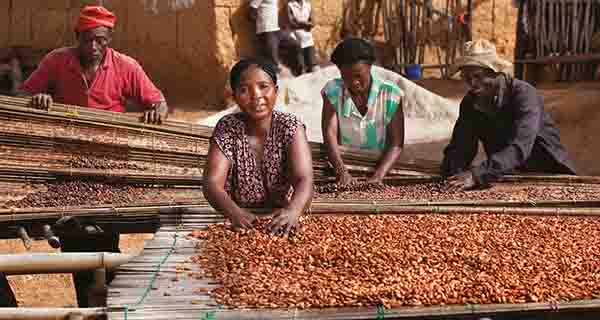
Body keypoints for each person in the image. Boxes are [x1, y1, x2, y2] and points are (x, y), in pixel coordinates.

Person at [441, 39, 576, 190]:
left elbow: (520, 147)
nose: (472, 83)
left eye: (478, 76)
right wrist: (453, 171)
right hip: (507, 176)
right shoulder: (470, 103)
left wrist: (476, 174)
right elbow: (461, 146)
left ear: (495, 72)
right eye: (467, 78)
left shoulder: (524, 94)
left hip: (549, 175)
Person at [203, 58, 313, 235]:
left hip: (283, 216)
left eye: (263, 86)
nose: (256, 96)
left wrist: (293, 211)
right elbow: (212, 183)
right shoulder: (227, 128)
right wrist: (234, 212)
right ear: (235, 97)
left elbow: (304, 179)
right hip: (240, 220)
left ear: (275, 91)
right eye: (244, 90)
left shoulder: (290, 127)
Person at [19, 6, 168, 124]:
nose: (93, 47)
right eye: (87, 40)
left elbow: (159, 104)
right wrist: (38, 98)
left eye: (100, 40)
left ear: (109, 38)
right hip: (63, 133)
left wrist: (155, 113)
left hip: (110, 137)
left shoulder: (127, 66)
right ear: (77, 36)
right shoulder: (56, 60)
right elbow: (23, 95)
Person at [321, 38, 405, 185]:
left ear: (370, 67)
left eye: (358, 75)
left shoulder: (391, 94)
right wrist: (342, 172)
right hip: (344, 164)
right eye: (345, 77)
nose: (354, 82)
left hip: (381, 166)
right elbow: (330, 134)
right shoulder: (333, 91)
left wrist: (378, 176)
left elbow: (396, 143)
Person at [249, 0, 282, 71]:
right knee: (271, 55)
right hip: (266, 27)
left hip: (275, 27)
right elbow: (253, 7)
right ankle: (275, 74)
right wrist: (260, 21)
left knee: (273, 53)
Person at [286, 0, 318, 74]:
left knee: (313, 67)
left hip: (308, 38)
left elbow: (313, 22)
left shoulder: (308, 5)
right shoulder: (290, 5)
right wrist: (305, 24)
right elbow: (291, 23)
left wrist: (300, 23)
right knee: (301, 68)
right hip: (296, 37)